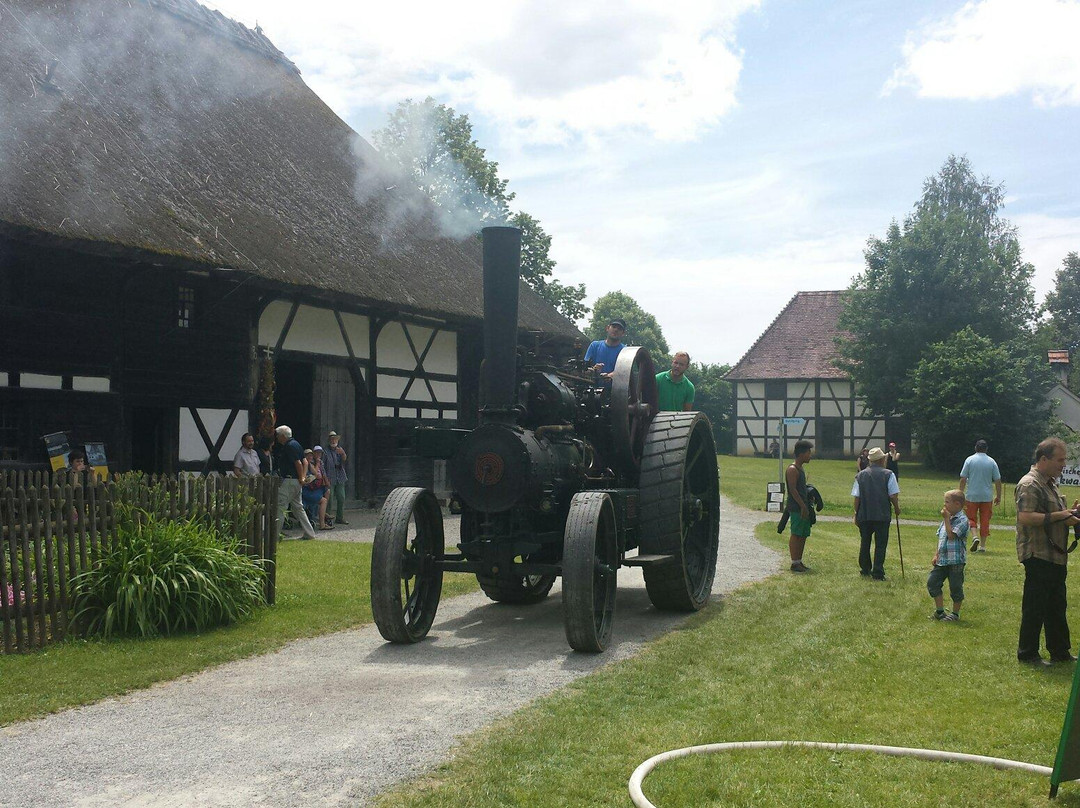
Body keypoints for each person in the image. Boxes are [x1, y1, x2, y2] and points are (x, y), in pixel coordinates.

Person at [1015, 437, 1079, 666]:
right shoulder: (1030, 484)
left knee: (1056, 605)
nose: (1064, 464)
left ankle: (1060, 651)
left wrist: (1072, 513)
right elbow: (1025, 517)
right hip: (1038, 554)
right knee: (1035, 607)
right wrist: (1061, 516)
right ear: (1044, 459)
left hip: (1055, 556)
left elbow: (1058, 515)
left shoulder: (1050, 482)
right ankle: (1028, 653)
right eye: (1060, 460)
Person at [851, 446, 900, 580]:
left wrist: (856, 513)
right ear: (881, 460)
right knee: (880, 544)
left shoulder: (860, 475)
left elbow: (857, 497)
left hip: (865, 514)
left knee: (865, 542)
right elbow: (893, 495)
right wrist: (896, 508)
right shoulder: (889, 474)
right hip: (882, 514)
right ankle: (878, 571)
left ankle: (865, 568)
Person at [928, 490, 970, 621]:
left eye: (947, 502)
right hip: (943, 560)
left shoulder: (962, 520)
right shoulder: (947, 519)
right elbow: (942, 538)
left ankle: (955, 614)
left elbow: (951, 536)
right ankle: (940, 611)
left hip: (956, 561)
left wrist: (946, 519)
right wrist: (936, 555)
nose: (944, 505)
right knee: (933, 582)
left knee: (955, 587)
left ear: (957, 504)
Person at [271, 425, 317, 540]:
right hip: (296, 482)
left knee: (280, 507)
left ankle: (274, 536)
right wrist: (302, 478)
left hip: (289, 480)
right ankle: (309, 533)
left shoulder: (289, 446)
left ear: (282, 436)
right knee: (298, 508)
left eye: (278, 435)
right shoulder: (296, 444)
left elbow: (298, 463)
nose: (277, 438)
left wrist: (301, 478)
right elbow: (305, 462)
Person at [960, 439, 1003, 552]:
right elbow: (998, 480)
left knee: (970, 518)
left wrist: (960, 494)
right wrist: (998, 496)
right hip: (987, 496)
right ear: (986, 449)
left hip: (971, 495)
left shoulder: (969, 460)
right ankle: (982, 546)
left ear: (975, 448)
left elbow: (963, 478)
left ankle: (974, 536)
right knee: (985, 519)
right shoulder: (992, 461)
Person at [785, 439, 814, 573]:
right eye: (808, 452)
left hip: (804, 506)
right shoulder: (792, 469)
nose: (810, 455)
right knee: (796, 534)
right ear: (801, 453)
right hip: (797, 507)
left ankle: (799, 561)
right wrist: (802, 506)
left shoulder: (801, 468)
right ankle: (794, 562)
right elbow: (793, 490)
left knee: (803, 534)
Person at [302, 446, 333, 530]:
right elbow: (315, 475)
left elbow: (320, 474)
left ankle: (323, 512)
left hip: (312, 487)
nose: (309, 457)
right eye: (307, 455)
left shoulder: (312, 463)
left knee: (327, 490)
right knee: (324, 500)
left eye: (310, 455)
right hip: (306, 489)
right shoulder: (306, 464)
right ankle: (322, 523)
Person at [324, 430, 349, 525]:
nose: (333, 441)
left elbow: (344, 460)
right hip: (330, 477)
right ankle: (328, 518)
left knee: (341, 497)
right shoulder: (325, 451)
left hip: (340, 476)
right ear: (329, 440)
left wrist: (343, 454)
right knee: (329, 499)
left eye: (335, 439)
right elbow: (323, 465)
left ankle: (340, 517)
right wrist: (325, 478)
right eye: (332, 439)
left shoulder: (340, 449)